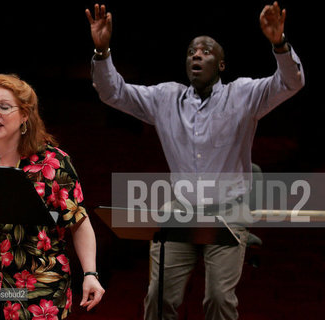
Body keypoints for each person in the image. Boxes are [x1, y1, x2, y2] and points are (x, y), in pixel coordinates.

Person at [86, 2, 304, 320]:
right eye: (191, 52)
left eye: (205, 51)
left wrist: (279, 44)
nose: (197, 55)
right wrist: (103, 52)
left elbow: (290, 83)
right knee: (157, 299)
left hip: (229, 213)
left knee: (218, 299)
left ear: (222, 64)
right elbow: (113, 93)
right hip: (180, 213)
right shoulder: (165, 98)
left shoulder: (243, 95)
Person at [0, 74, 105, 319]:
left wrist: (90, 274)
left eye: (4, 107)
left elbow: (78, 221)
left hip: (40, 289)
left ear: (24, 115)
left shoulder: (53, 162)